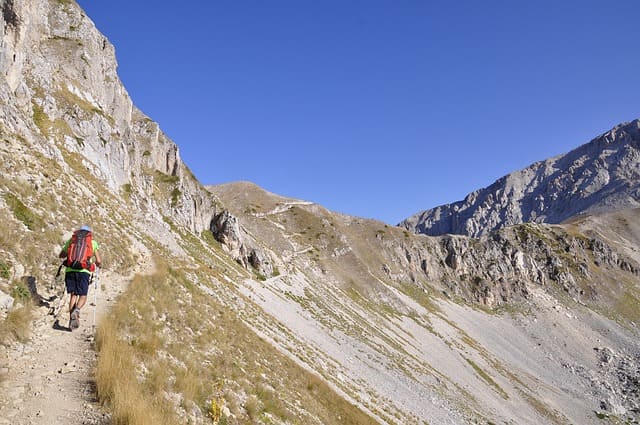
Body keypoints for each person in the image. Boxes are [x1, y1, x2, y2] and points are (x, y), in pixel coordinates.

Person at [58, 225, 102, 329]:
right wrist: (97, 265)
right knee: (83, 295)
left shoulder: (72, 240)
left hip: (70, 270)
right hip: (84, 271)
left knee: (73, 295)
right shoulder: (92, 243)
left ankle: (71, 320)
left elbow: (61, 255)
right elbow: (99, 261)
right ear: (89, 234)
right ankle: (77, 310)